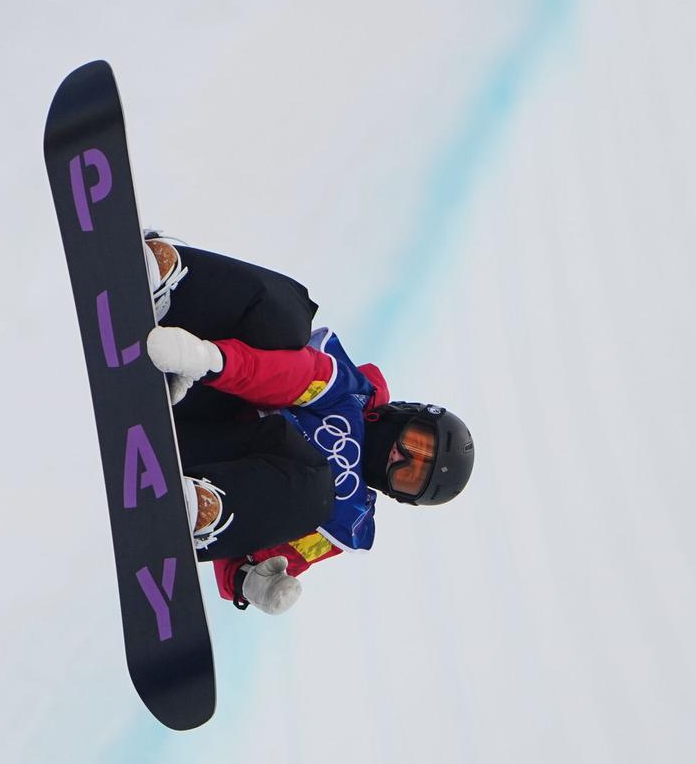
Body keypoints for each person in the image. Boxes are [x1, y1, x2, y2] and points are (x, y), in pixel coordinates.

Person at [140, 230, 475, 615]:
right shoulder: (348, 394)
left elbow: (264, 532)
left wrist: (247, 580)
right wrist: (209, 361)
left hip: (200, 453)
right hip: (194, 364)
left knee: (317, 494)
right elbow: (287, 374)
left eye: (409, 475)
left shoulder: (347, 518)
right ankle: (168, 276)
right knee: (288, 316)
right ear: (408, 414)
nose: (398, 458)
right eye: (416, 445)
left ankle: (197, 508)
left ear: (398, 494)